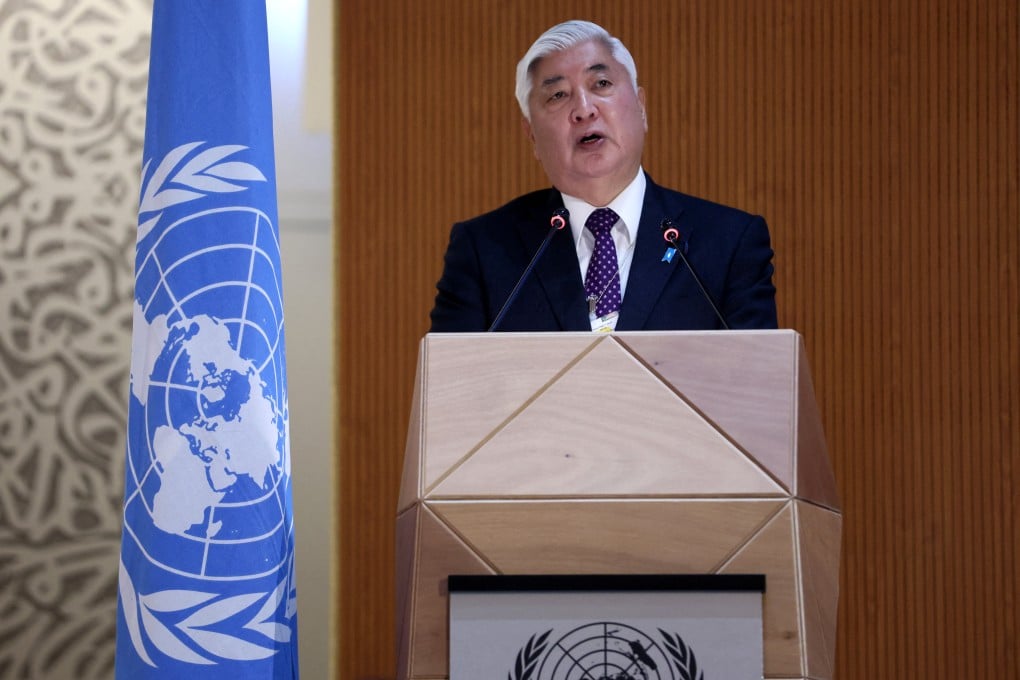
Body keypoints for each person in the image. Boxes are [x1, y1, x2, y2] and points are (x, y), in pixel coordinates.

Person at [429, 20, 777, 333]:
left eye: (601, 83)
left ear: (641, 108)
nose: (583, 109)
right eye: (558, 95)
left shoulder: (729, 243)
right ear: (532, 135)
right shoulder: (483, 250)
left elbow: (756, 390)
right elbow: (450, 394)